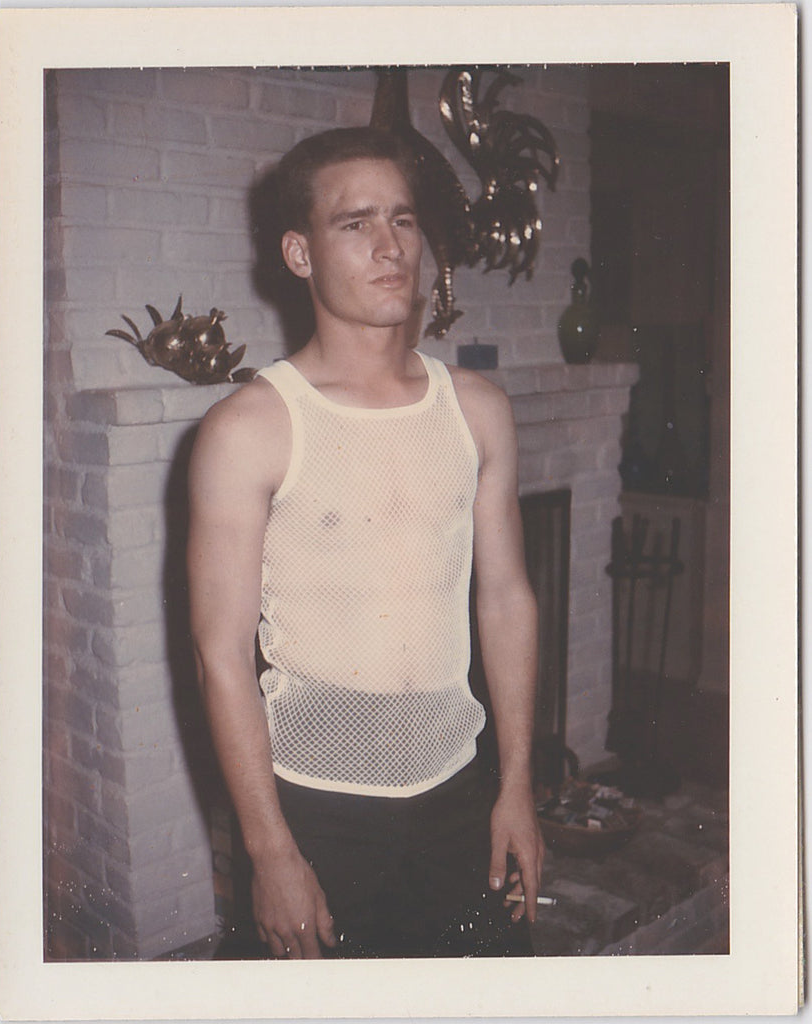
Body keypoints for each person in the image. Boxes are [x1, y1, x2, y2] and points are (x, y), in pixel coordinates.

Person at [187, 127, 543, 960]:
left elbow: (505, 597)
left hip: (460, 789)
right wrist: (269, 852)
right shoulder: (251, 427)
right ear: (299, 254)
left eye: (404, 221)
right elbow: (219, 658)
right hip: (315, 810)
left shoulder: (478, 409)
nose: (389, 247)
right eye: (354, 225)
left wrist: (518, 783)